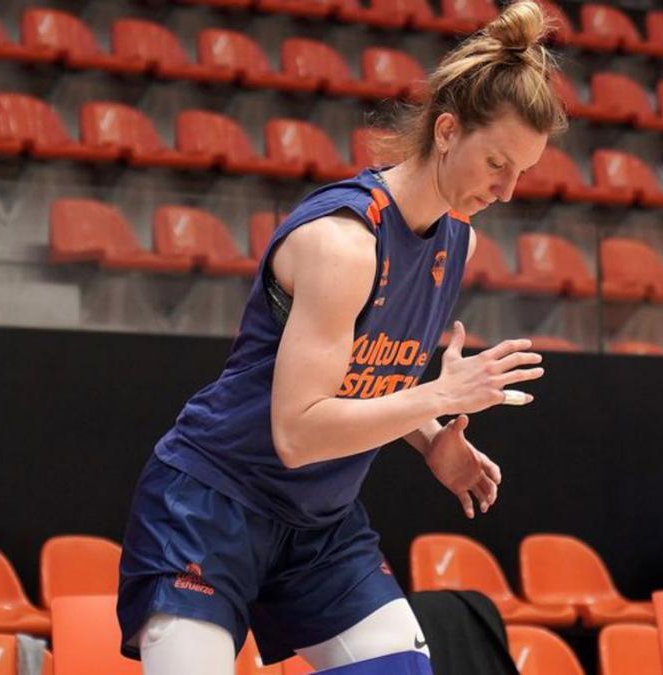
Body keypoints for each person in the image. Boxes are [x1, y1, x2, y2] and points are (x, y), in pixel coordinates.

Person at [117, 2, 567, 672]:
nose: (504, 190)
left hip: (319, 525)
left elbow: (365, 378)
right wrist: (434, 395)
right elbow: (297, 431)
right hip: (213, 503)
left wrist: (429, 440)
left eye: (522, 172)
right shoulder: (343, 244)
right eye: (496, 161)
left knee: (401, 664)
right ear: (446, 131)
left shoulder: (456, 242)